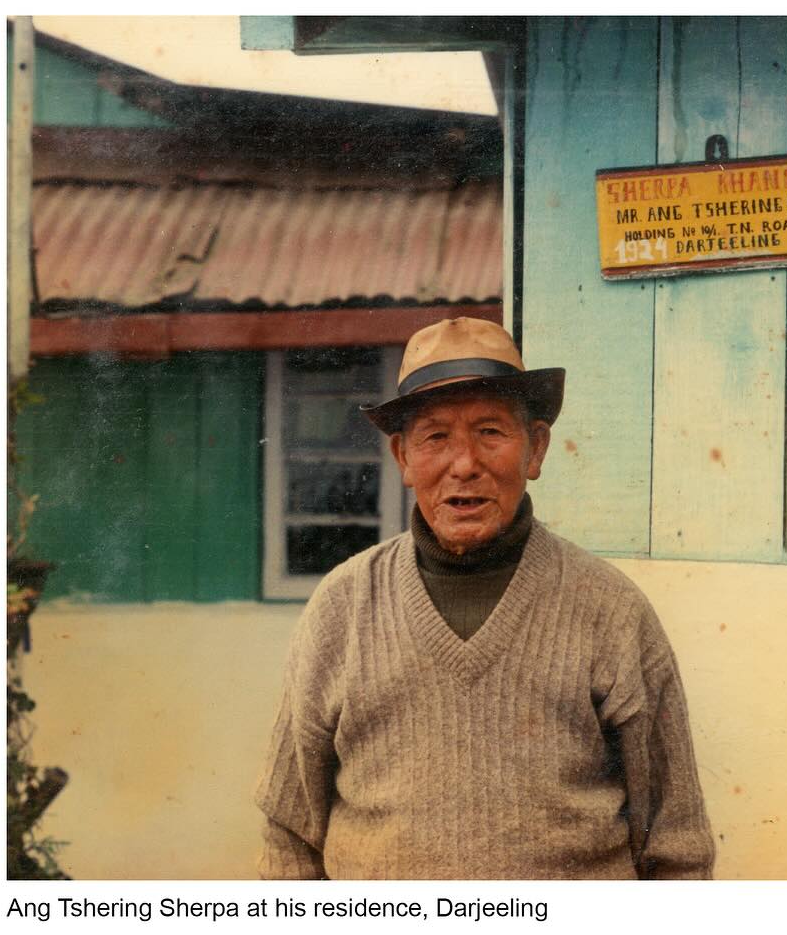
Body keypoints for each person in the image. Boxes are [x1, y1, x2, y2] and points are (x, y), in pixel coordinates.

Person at [255, 317, 714, 879]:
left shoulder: (610, 608)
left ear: (536, 449)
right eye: (436, 437)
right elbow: (287, 832)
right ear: (403, 458)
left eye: (491, 432)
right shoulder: (343, 606)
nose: (464, 464)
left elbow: (677, 846)